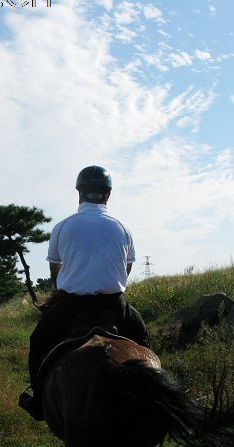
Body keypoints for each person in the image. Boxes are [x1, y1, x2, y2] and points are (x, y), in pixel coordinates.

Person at [18, 165, 150, 420]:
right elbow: (128, 267)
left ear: (79, 192)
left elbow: (55, 267)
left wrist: (62, 287)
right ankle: (151, 398)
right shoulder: (123, 227)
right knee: (142, 340)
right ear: (108, 195)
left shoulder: (63, 227)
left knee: (39, 342)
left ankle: (38, 403)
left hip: (71, 306)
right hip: (114, 306)